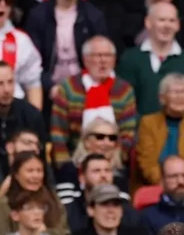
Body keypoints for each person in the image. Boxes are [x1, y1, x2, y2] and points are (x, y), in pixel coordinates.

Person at [49, 36, 137, 169]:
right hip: (75, 162)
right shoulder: (69, 88)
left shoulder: (124, 91)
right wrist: (65, 167)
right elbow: (58, 132)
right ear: (86, 60)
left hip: (113, 164)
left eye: (108, 56)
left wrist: (113, 164)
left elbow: (128, 134)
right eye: (97, 55)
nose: (103, 61)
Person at [116, 2, 184, 116]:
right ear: (148, 22)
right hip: (139, 130)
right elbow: (125, 103)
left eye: (171, 21)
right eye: (161, 20)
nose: (167, 26)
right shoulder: (130, 59)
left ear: (178, 25)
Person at [133, 73, 184, 190]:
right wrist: (165, 185)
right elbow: (147, 162)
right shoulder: (148, 123)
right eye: (175, 92)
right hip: (156, 187)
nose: (180, 97)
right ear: (162, 97)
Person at [0, 0, 43, 109]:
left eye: (7, 1)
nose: (3, 5)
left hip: (12, 111)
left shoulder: (21, 40)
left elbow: (33, 83)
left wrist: (34, 121)